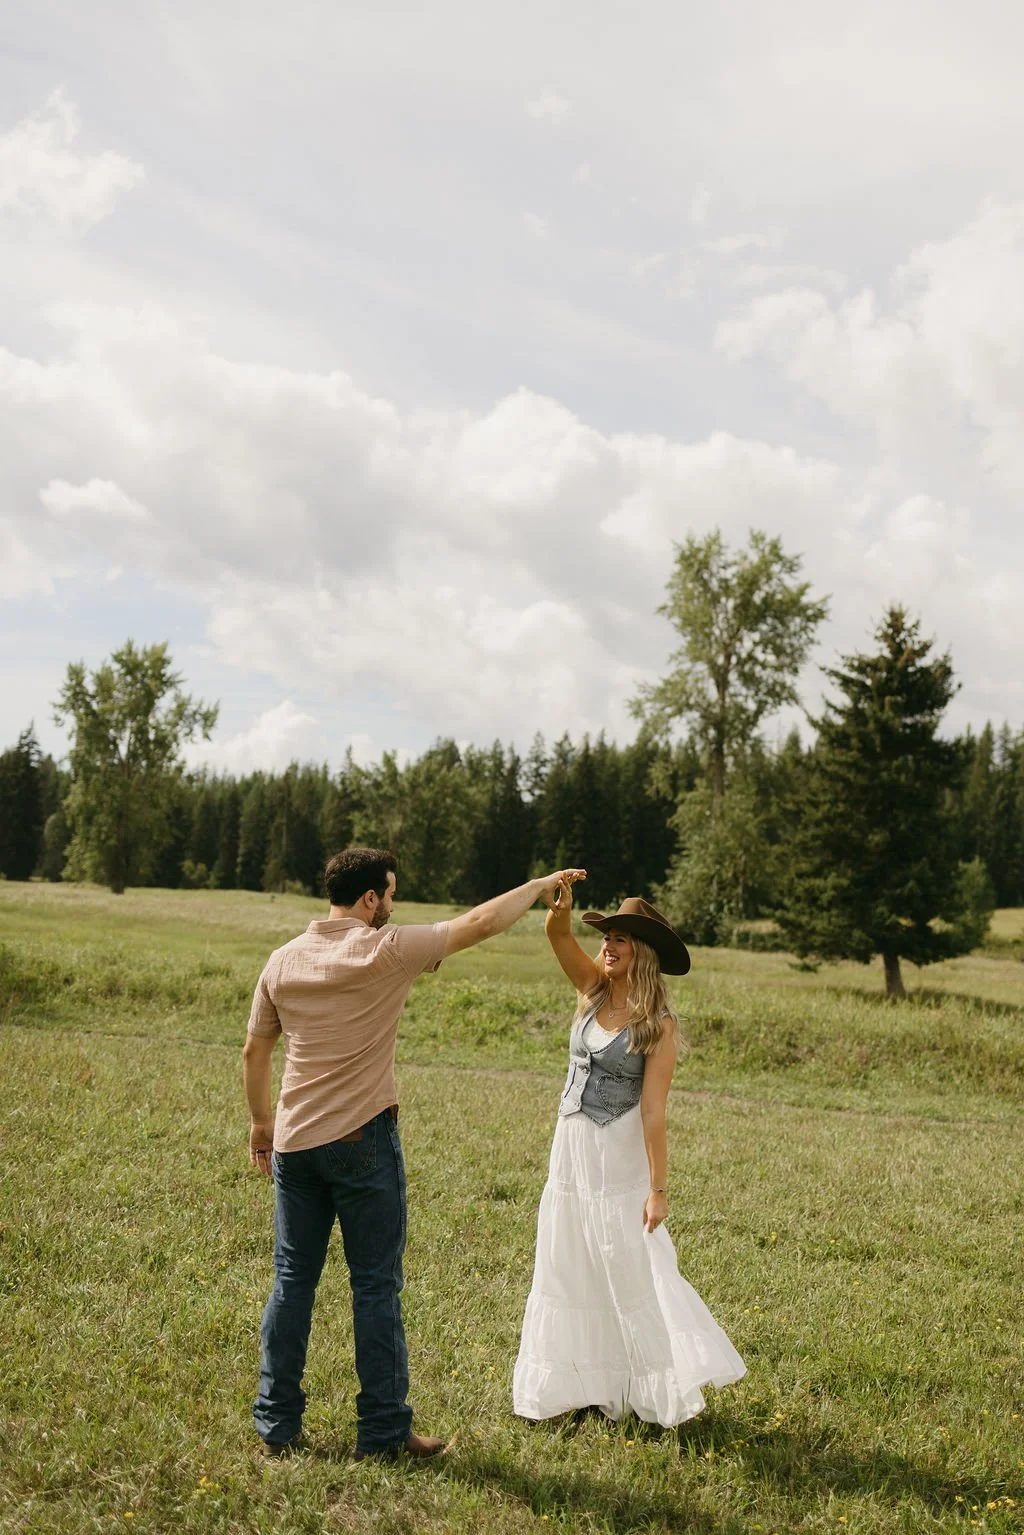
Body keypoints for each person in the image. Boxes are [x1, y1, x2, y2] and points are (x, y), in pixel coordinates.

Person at [243, 846, 584, 1460]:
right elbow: (477, 924)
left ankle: (276, 1427)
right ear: (370, 899)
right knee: (375, 1286)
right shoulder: (386, 948)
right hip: (360, 1143)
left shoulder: (281, 960)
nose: (392, 905)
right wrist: (535, 884)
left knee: (292, 1282)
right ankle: (382, 1433)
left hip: (294, 1147)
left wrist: (262, 1123)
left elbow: (254, 1053)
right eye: (390, 894)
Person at [513, 880, 746, 1426]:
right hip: (571, 1145)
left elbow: (653, 1112)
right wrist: (560, 910)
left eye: (621, 939)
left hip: (618, 1153)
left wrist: (659, 1189)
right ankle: (578, 1387)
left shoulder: (659, 1026)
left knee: (626, 1261)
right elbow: (558, 937)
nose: (609, 947)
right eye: (608, 938)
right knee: (571, 1257)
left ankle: (646, 1385)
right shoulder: (591, 991)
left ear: (642, 953)